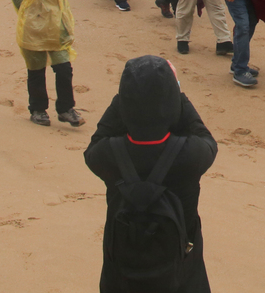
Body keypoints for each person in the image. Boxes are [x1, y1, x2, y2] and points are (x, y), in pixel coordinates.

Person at [83, 56, 217, 293]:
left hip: (121, 273)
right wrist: (177, 93)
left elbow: (97, 141)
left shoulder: (108, 153)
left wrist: (125, 97)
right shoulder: (190, 155)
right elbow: (205, 137)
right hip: (181, 274)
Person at [8, 0, 97, 127]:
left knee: (64, 69)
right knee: (36, 70)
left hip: (58, 23)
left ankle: (66, 109)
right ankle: (38, 109)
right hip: (34, 24)